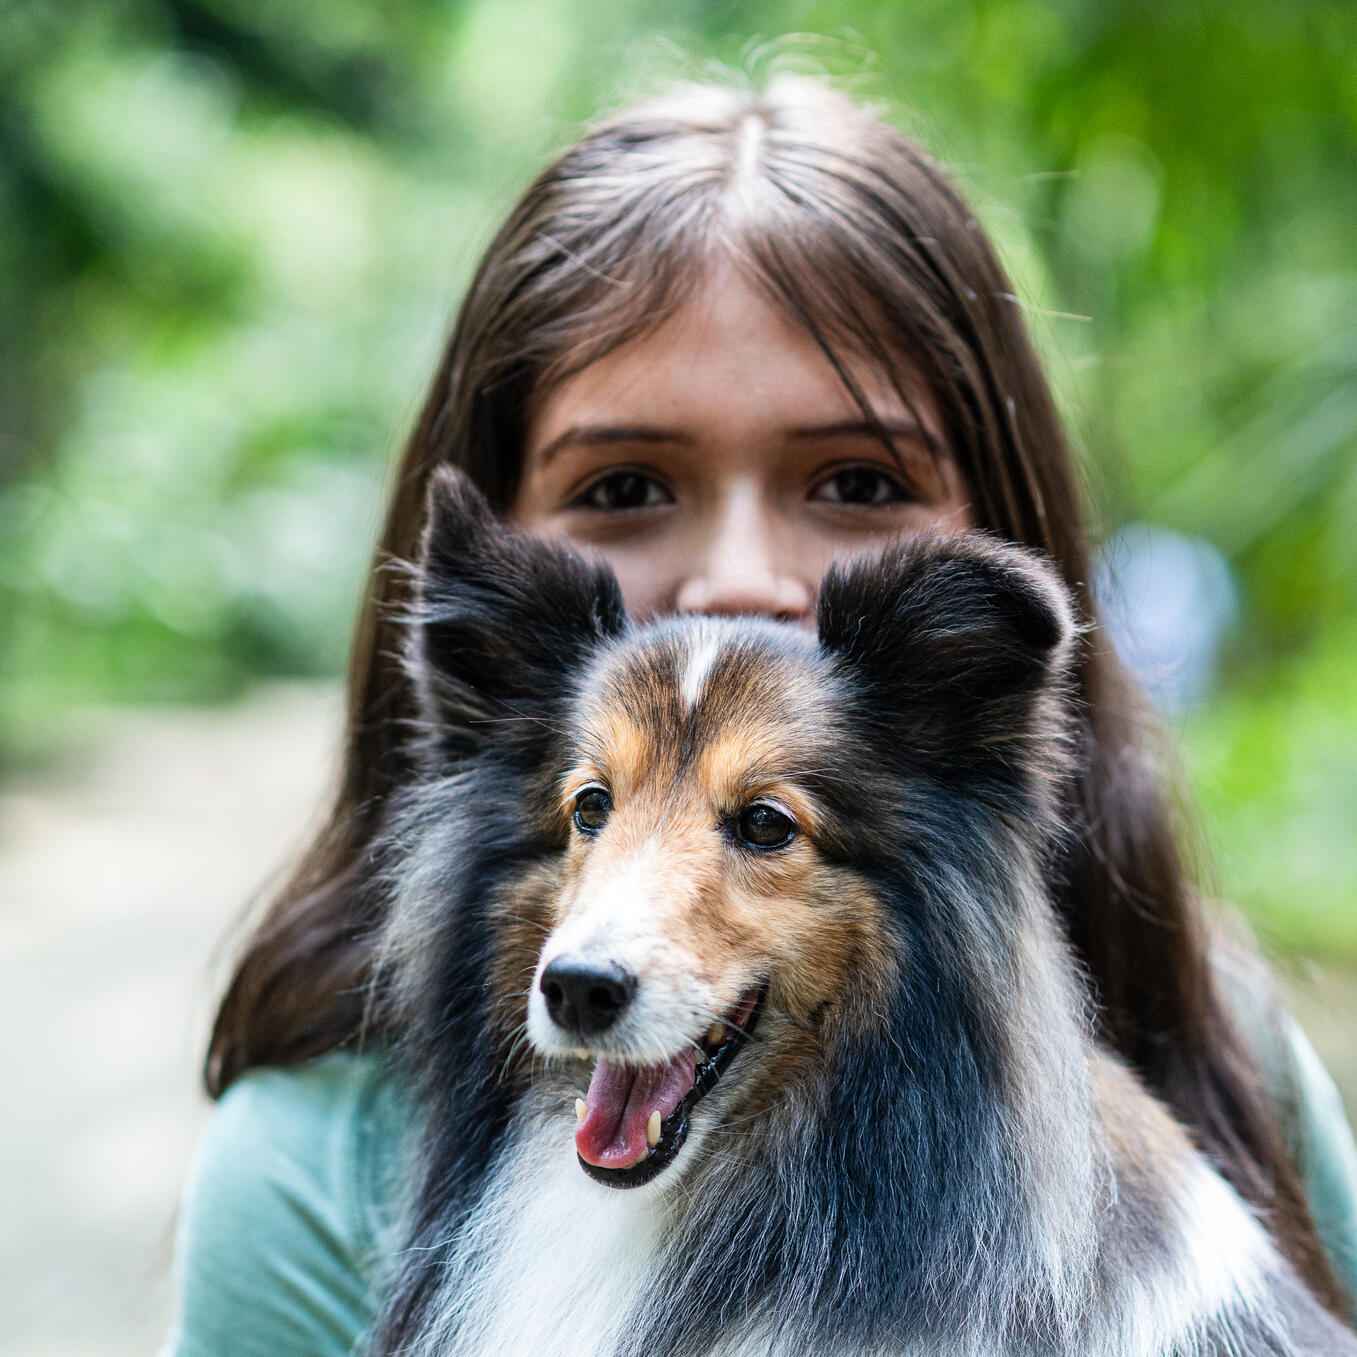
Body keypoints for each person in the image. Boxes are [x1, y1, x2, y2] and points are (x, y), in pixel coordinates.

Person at [163, 76, 1357, 1355]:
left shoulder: (1224, 1041)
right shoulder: (305, 1182)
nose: (740, 577)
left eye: (855, 479)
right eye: (624, 484)